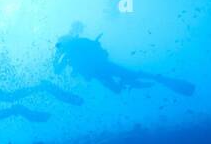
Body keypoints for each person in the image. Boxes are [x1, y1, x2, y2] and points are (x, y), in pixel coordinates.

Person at [53, 23, 195, 95]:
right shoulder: (78, 45)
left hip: (100, 71)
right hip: (103, 68)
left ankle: (140, 80)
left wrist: (56, 59)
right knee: (124, 83)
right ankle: (141, 79)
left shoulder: (69, 54)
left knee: (120, 87)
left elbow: (57, 71)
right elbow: (102, 51)